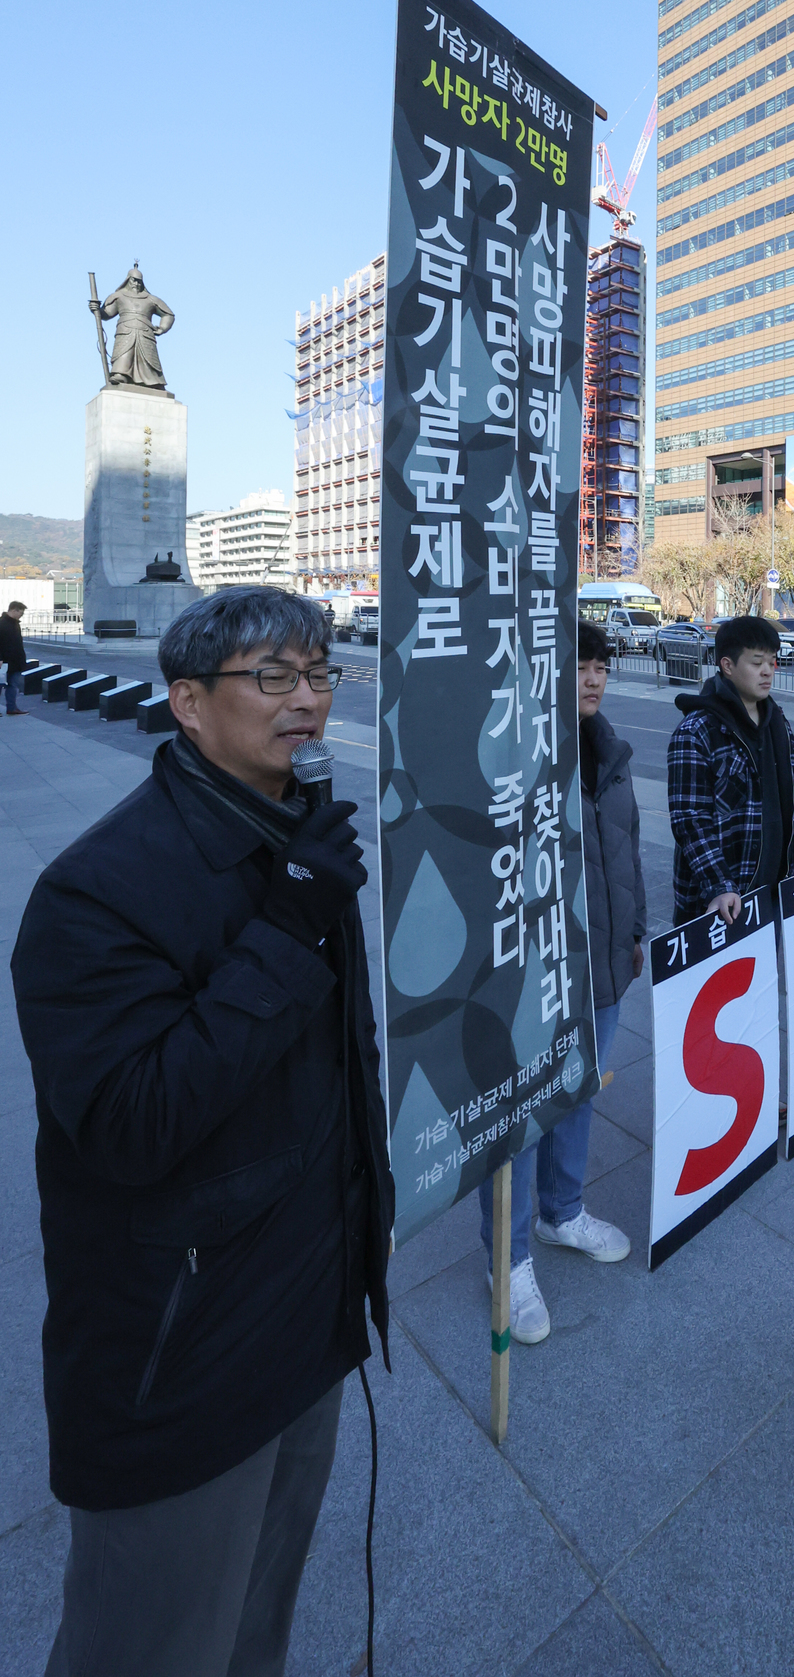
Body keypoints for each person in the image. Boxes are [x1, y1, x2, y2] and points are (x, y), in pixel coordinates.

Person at [10, 586, 392, 1677]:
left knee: (259, 1615)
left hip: (310, 1317)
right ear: (186, 702)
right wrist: (284, 926)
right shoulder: (95, 892)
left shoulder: (300, 837)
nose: (307, 699)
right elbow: (131, 1127)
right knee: (151, 1643)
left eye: (319, 673)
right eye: (272, 676)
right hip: (182, 1360)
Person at [477, 620, 642, 1346]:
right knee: (516, 1118)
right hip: (533, 966)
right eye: (579, 666)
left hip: (604, 960)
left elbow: (626, 849)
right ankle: (506, 1260)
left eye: (602, 666)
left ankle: (561, 1211)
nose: (594, 679)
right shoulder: (512, 754)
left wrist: (636, 932)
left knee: (579, 1092)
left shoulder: (610, 750)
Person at [668, 613, 794, 926]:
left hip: (774, 893)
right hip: (721, 905)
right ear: (727, 665)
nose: (767, 671)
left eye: (772, 661)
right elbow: (691, 821)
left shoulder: (777, 723)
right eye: (756, 663)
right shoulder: (697, 731)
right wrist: (721, 886)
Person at [1, 598, 27, 715]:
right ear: (14, 610)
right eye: (21, 613)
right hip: (4, 662)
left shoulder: (15, 624)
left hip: (15, 661)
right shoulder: (2, 623)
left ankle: (12, 708)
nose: (21, 615)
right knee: (2, 685)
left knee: (13, 685)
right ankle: (11, 708)